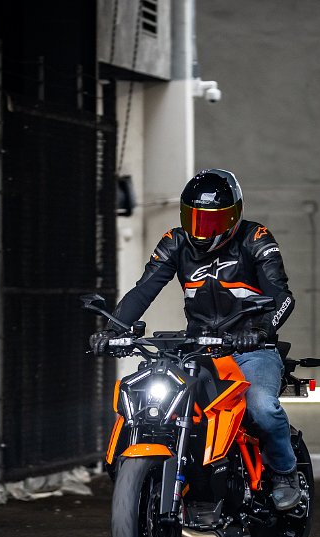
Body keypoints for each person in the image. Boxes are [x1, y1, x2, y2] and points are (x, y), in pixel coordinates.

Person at [89, 168, 301, 510]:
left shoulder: (256, 238)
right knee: (150, 398)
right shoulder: (175, 241)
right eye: (196, 218)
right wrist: (113, 330)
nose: (204, 229)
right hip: (196, 350)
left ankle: (284, 473)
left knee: (261, 406)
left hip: (251, 349)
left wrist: (261, 330)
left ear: (233, 215)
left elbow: (282, 297)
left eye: (213, 220)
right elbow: (143, 290)